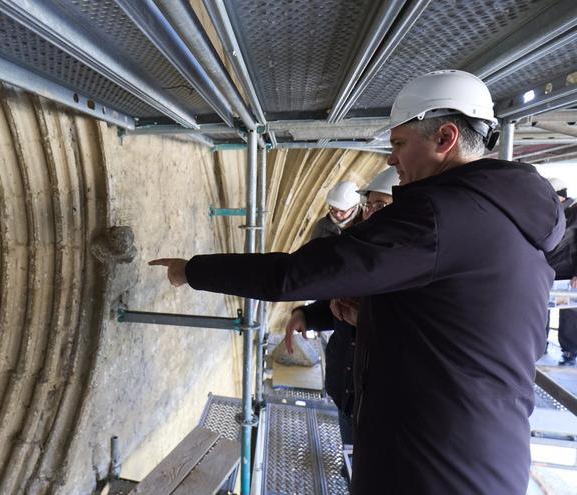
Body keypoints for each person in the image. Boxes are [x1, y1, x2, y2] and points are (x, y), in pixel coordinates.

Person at [150, 70, 564, 494]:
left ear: (445, 138)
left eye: (399, 143)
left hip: (435, 465)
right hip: (474, 453)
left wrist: (192, 270)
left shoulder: (440, 214)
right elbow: (470, 329)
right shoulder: (505, 218)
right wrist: (380, 314)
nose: (389, 159)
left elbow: (295, 274)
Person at [285, 167, 399, 448]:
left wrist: (367, 319)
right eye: (369, 204)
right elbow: (338, 305)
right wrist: (306, 315)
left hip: (384, 405)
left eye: (381, 205)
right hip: (347, 392)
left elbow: (421, 336)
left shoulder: (414, 262)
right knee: (351, 460)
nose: (372, 212)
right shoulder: (355, 245)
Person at [545, 177, 577, 365]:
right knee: (541, 309)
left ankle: (570, 351)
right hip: (545, 271)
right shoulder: (547, 214)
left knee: (570, 312)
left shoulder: (574, 213)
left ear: (562, 197)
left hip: (567, 274)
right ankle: (538, 347)